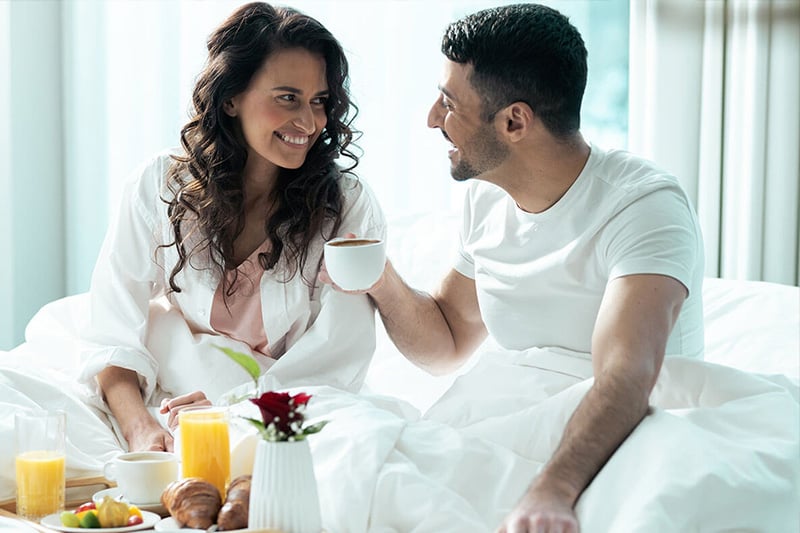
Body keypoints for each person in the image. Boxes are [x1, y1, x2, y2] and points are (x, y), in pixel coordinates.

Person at [320, 3, 704, 532]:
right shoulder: (487, 198)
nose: (433, 118)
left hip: (625, 428)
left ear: (515, 121)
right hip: (516, 416)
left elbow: (627, 374)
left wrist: (551, 491)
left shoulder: (643, 204)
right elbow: (449, 340)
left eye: (449, 103)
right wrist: (380, 277)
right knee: (357, 460)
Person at [73, 2, 385, 453]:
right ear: (231, 97)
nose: (310, 122)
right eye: (287, 98)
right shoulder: (160, 186)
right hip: (180, 393)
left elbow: (338, 361)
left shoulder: (347, 204)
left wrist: (231, 411)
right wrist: (140, 428)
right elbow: (111, 331)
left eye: (320, 101)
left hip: (286, 409)